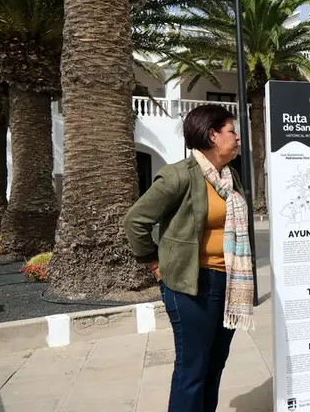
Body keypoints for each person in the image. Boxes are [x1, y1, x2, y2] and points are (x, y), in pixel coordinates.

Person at [123, 104, 255, 412]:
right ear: (212, 135)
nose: (237, 138)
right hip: (192, 286)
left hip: (229, 284)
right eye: (232, 131)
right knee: (192, 369)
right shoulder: (178, 176)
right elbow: (135, 221)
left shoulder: (229, 176)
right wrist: (155, 264)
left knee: (215, 365)